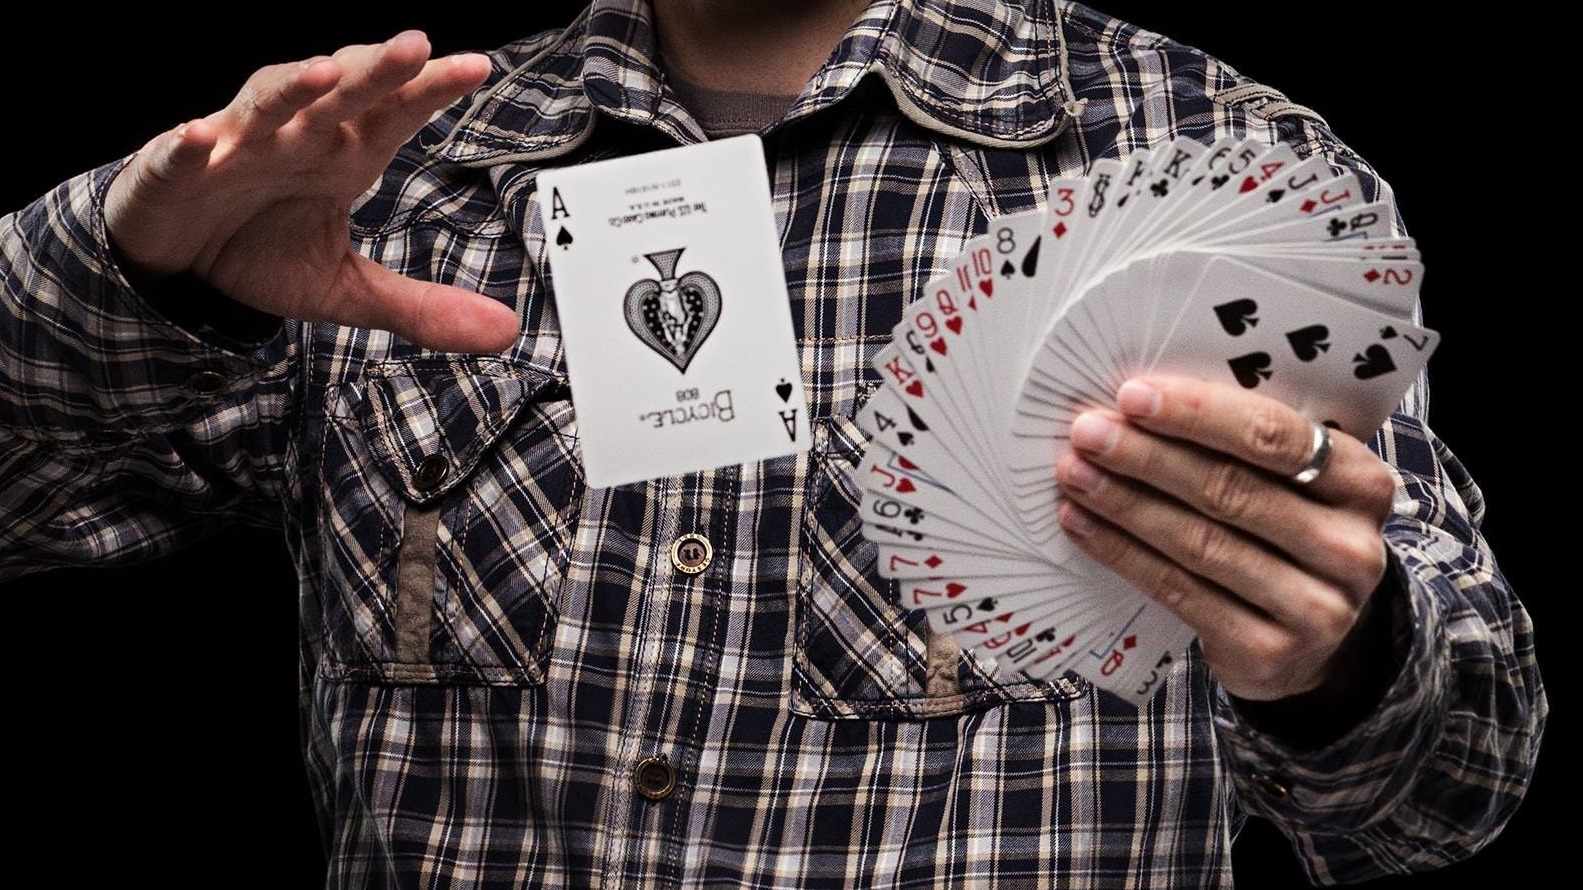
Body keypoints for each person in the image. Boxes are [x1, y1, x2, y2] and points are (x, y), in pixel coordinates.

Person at [0, 1, 1546, 887]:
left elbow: (1447, 790)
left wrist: (1344, 658)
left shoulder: (1216, 167)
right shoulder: (386, 183)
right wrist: (115, 271)